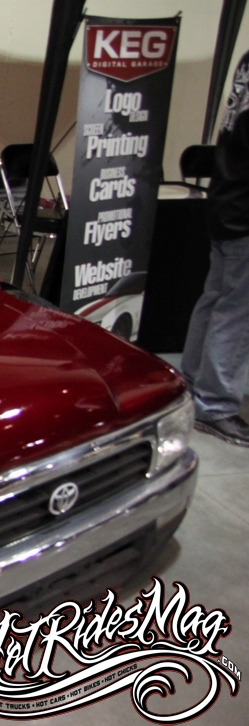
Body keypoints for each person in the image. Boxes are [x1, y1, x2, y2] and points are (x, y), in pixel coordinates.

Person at [182, 50, 249, 446]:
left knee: (216, 299)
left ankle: (193, 384)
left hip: (226, 199)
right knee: (237, 311)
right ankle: (216, 404)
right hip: (243, 209)